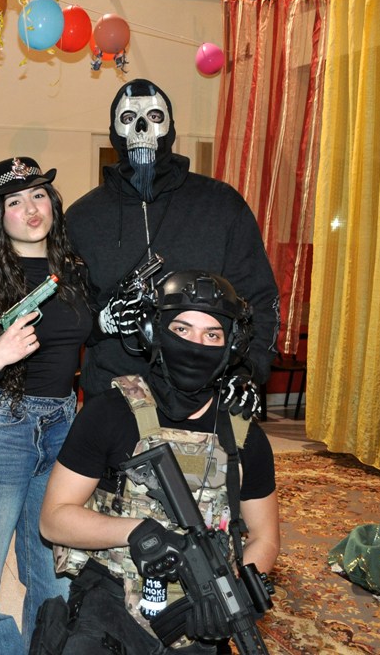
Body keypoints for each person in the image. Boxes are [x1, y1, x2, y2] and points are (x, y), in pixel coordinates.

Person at [37, 270, 280, 654]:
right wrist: (137, 531)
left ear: (231, 346)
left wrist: (233, 596)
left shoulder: (243, 434)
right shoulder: (111, 413)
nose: (196, 345)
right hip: (114, 593)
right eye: (182, 329)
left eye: (212, 335)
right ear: (154, 332)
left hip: (198, 610)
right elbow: (53, 519)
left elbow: (265, 536)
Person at [65, 78, 280, 418]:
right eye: (128, 119)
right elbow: (67, 314)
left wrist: (247, 370)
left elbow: (259, 298)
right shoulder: (83, 217)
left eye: (154, 116)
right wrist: (102, 321)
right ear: (113, 132)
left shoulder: (221, 204)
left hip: (207, 389)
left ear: (171, 127)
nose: (141, 128)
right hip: (114, 391)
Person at [0, 157, 91, 653]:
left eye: (38, 195)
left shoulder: (74, 273)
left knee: (54, 576)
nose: (31, 208)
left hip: (62, 425)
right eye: (15, 201)